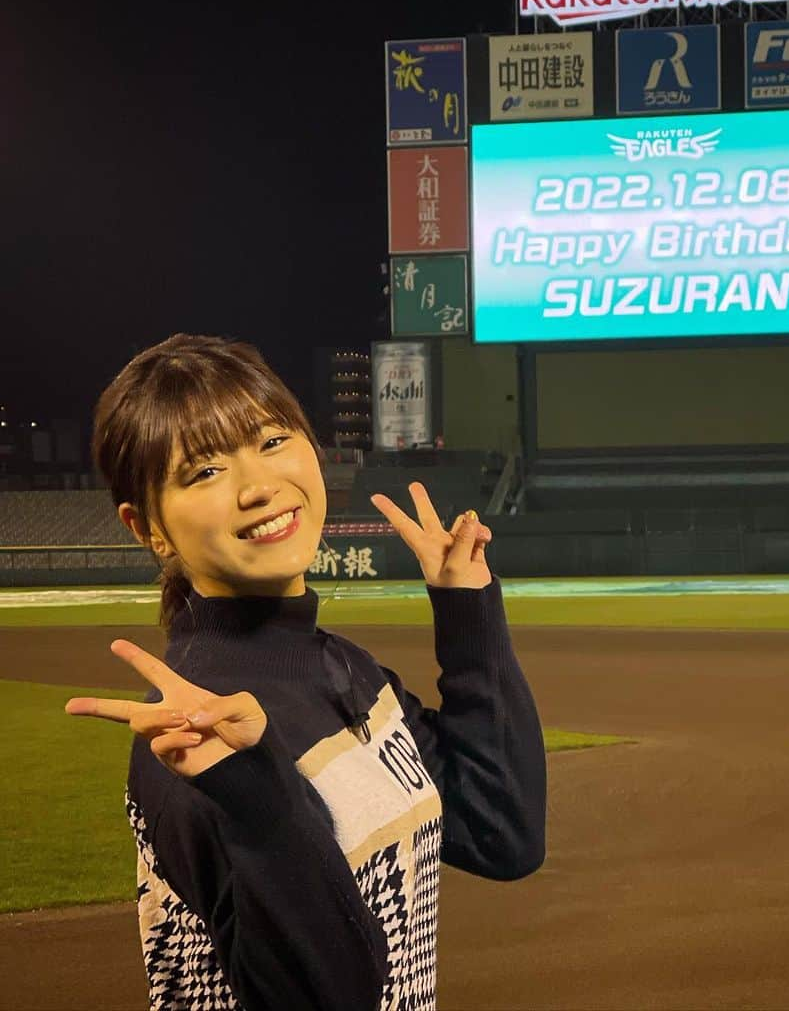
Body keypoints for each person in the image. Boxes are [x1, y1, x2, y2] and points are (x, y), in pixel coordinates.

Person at [64, 334, 546, 1011]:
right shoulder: (196, 740)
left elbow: (503, 835)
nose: (260, 488)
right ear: (149, 530)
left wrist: (468, 613)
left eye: (270, 441)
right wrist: (259, 804)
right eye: (204, 472)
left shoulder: (345, 668)